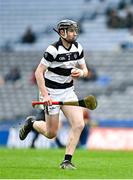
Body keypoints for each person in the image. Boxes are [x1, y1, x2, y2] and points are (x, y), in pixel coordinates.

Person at [19, 19, 97, 170]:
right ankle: (32, 123)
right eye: (72, 30)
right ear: (62, 32)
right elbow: (38, 72)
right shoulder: (53, 50)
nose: (75, 33)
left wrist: (80, 72)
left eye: (75, 30)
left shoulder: (78, 47)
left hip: (68, 91)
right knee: (51, 133)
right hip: (51, 92)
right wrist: (46, 95)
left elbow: (85, 70)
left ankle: (67, 161)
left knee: (79, 124)